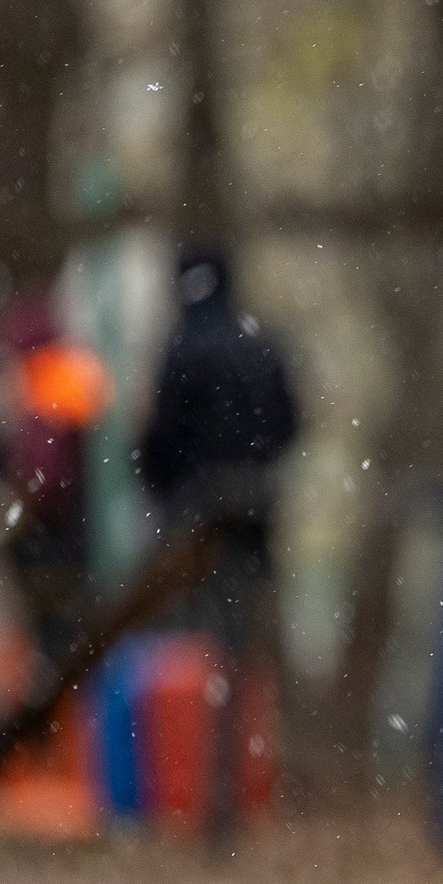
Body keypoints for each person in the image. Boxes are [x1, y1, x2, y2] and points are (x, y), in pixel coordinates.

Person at [135, 244, 299, 837]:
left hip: (198, 526)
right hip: (251, 519)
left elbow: (158, 441)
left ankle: (201, 795)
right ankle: (234, 790)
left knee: (194, 655)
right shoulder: (259, 344)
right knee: (238, 654)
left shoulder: (183, 349)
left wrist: (174, 491)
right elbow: (289, 424)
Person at [0, 288, 110, 678]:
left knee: (55, 634)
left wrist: (19, 504)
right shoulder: (69, 375)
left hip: (51, 536)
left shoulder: (44, 384)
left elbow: (46, 474)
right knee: (71, 629)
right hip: (74, 530)